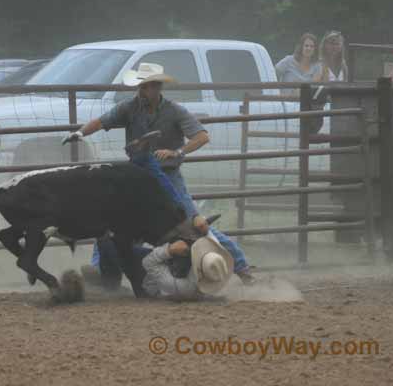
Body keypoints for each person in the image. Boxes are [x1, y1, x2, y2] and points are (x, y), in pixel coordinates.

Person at [62, 62, 254, 285]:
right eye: (140, 87)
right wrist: (80, 132)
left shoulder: (174, 111)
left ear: (157, 87)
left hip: (168, 177)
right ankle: (99, 267)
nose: (142, 92)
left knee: (196, 225)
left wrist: (177, 151)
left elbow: (202, 136)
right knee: (113, 218)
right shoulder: (129, 107)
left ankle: (241, 266)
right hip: (137, 178)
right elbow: (102, 121)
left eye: (146, 87)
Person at [141, 232, 234, 300]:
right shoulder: (215, 262)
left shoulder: (183, 287)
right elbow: (209, 235)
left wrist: (169, 250)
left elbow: (147, 262)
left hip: (152, 281)